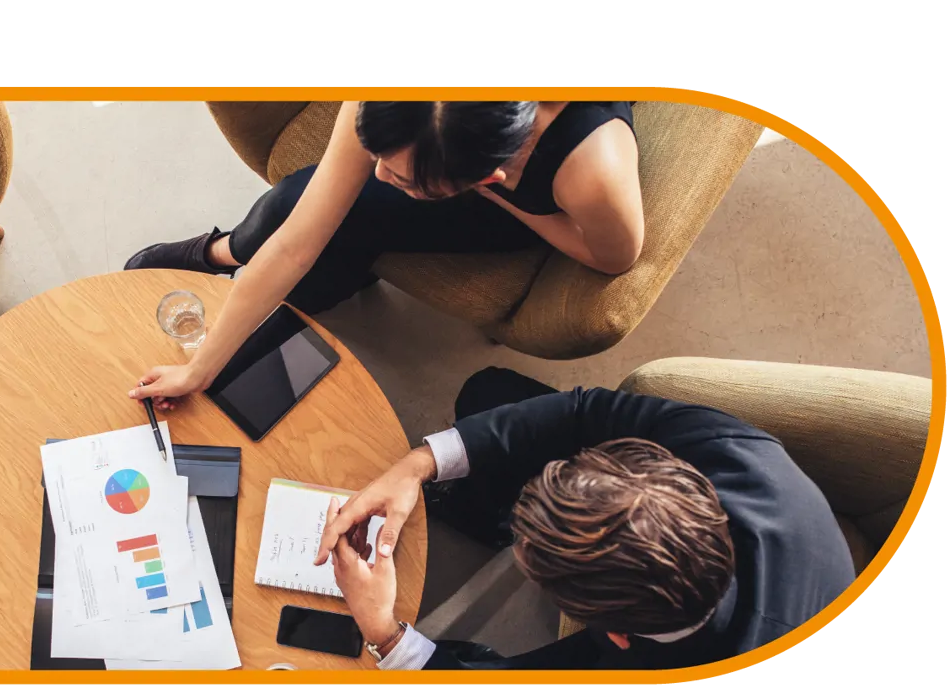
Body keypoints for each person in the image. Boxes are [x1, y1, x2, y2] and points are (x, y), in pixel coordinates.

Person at [316, 367, 857, 670]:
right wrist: (418, 464)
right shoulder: (741, 453)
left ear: (614, 636)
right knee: (488, 392)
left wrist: (383, 633)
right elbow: (589, 410)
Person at [124, 102, 643, 410]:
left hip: (513, 209)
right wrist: (200, 371)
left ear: (484, 179)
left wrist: (504, 201)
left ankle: (274, 272)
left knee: (330, 250)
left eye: (402, 180)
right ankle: (222, 251)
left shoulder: (593, 169)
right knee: (291, 206)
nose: (378, 178)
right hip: (464, 165)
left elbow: (611, 258)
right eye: (378, 158)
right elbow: (296, 242)